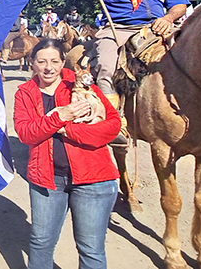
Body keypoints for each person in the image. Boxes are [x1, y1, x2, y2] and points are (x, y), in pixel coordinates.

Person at [13, 38, 121, 269]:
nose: (48, 67)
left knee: (91, 248)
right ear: (32, 62)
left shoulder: (81, 85)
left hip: (94, 179)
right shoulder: (25, 93)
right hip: (47, 180)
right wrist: (59, 117)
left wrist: (67, 129)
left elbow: (112, 125)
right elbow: (26, 134)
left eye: (54, 61)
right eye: (41, 61)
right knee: (41, 243)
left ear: (63, 62)